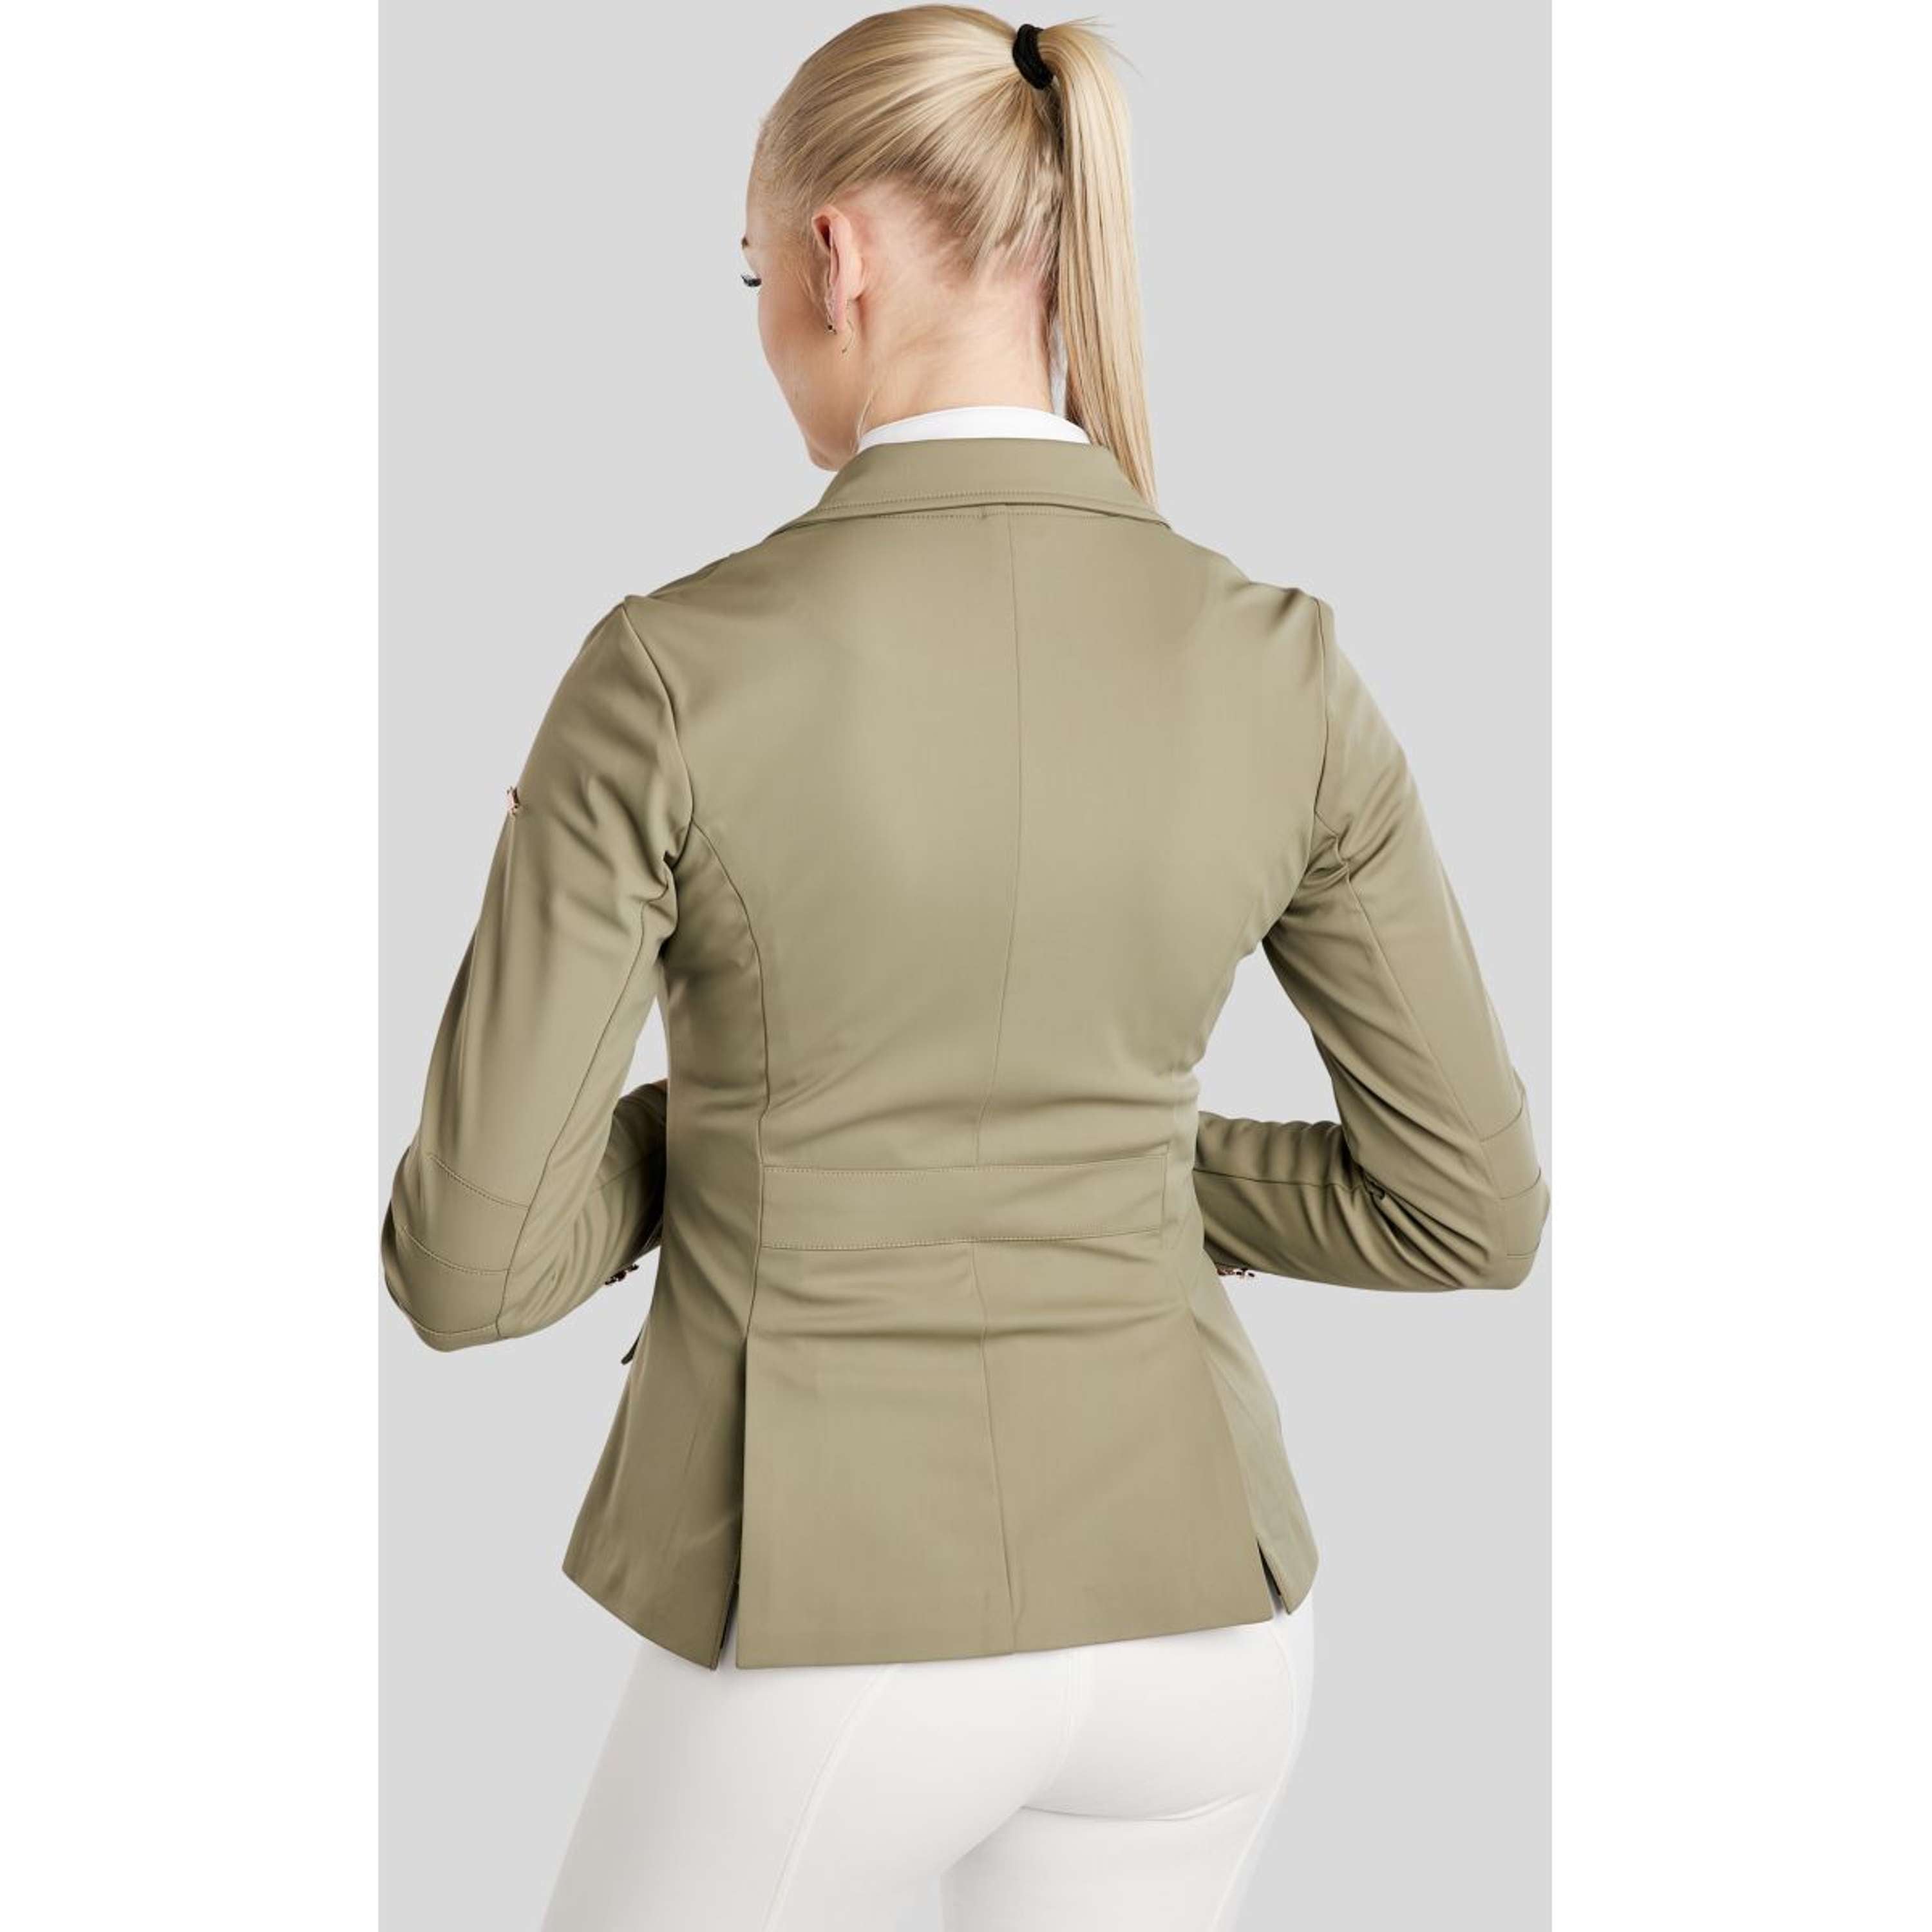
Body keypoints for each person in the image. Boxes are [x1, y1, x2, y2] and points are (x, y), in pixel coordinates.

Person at [379, 8, 1549, 1926]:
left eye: (754, 276)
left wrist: (727, 1144)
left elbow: (468, 1268)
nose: (766, 326)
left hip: (831, 1629)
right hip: (1204, 1634)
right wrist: (1094, 1164)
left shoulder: (673, 670)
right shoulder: (1282, 663)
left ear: (834, 256)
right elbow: (1469, 1214)